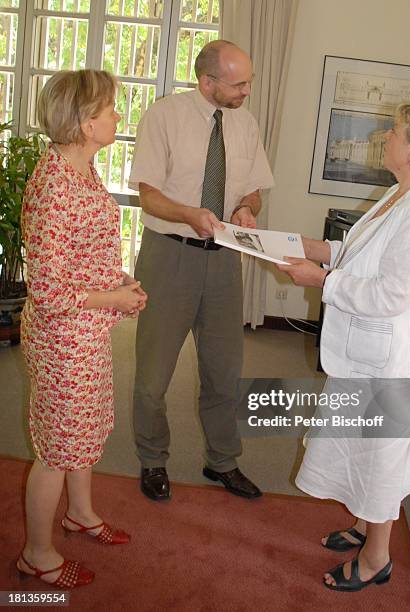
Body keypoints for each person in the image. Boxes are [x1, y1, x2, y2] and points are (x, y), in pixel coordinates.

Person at [277, 102, 410, 592]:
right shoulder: (403, 194)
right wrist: (309, 248)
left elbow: (390, 294)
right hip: (369, 353)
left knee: (383, 456)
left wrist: (320, 280)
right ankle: (362, 527)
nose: (386, 135)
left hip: (394, 358)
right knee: (361, 445)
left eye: (395, 131)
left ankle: (377, 558)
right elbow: (358, 253)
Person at [18, 69, 147, 588]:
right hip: (61, 339)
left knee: (83, 433)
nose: (118, 115)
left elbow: (79, 257)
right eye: (110, 109)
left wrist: (118, 280)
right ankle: (37, 553)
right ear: (85, 122)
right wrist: (113, 296)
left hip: (83, 334)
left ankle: (80, 514)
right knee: (56, 449)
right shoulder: (54, 187)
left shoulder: (80, 169)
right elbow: (48, 291)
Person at [129, 40, 274, 501]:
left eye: (248, 81)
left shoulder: (245, 124)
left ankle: (223, 462)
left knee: (224, 371)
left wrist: (248, 209)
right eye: (239, 83)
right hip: (169, 254)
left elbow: (254, 189)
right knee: (153, 375)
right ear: (207, 81)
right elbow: (147, 196)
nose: (247, 91)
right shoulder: (164, 116)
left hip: (225, 260)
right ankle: (153, 458)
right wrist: (190, 214)